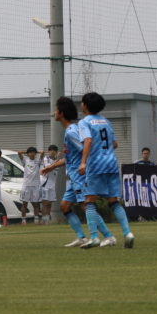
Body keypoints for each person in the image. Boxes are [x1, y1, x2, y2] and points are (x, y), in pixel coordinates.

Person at [41, 96, 114, 247]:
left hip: (80, 176)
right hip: (74, 177)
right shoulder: (70, 130)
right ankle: (82, 237)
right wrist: (52, 166)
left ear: (61, 113)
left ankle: (108, 236)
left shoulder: (72, 131)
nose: (54, 113)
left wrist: (85, 166)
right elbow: (70, 158)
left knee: (85, 206)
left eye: (56, 110)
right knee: (64, 206)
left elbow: (85, 150)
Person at [78, 92, 135, 249]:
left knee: (89, 200)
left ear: (86, 105)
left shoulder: (84, 122)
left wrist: (83, 162)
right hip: (111, 163)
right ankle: (128, 233)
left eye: (82, 102)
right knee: (113, 201)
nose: (81, 105)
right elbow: (114, 144)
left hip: (95, 165)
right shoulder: (106, 121)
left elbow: (88, 140)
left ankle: (94, 237)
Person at [18, 147, 44, 225]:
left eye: (33, 152)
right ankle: (23, 220)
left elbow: (42, 152)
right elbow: (19, 152)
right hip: (26, 185)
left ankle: (36, 220)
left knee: (36, 204)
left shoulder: (38, 160)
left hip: (35, 185)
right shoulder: (25, 160)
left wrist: (36, 152)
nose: (32, 154)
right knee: (24, 204)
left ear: (35, 153)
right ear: (28, 153)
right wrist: (27, 152)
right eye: (30, 152)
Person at [39, 144, 59, 224]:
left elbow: (54, 168)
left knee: (50, 203)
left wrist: (57, 161)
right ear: (48, 151)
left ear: (56, 152)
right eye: (51, 150)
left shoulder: (57, 160)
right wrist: (57, 161)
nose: (52, 152)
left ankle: (47, 219)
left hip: (52, 184)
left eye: (54, 150)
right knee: (45, 203)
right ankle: (44, 220)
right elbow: (49, 168)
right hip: (45, 184)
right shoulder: (46, 158)